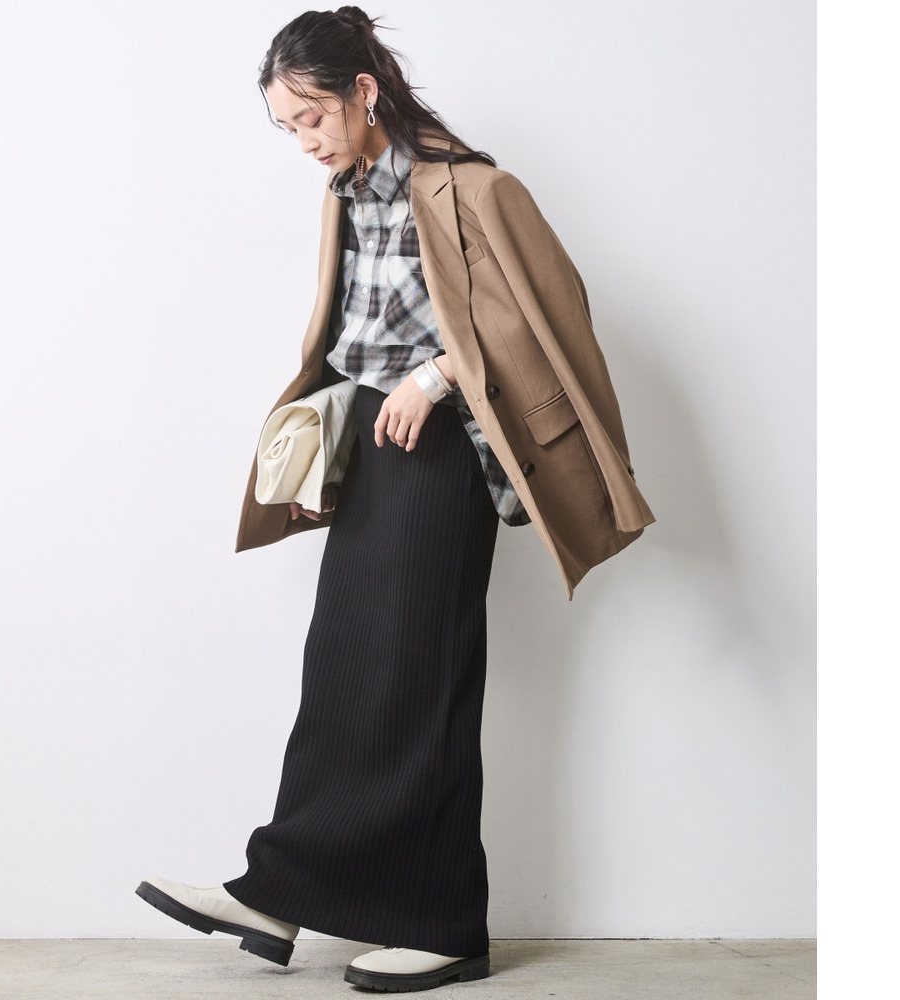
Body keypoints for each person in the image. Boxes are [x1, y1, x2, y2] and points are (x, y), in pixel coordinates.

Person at [137, 6, 654, 992]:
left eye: (312, 117)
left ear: (363, 92)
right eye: (286, 126)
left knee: (422, 679)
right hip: (374, 447)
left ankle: (446, 924)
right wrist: (319, 463)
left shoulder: (473, 186)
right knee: (341, 666)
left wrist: (435, 376)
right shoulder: (345, 194)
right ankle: (278, 893)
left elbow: (547, 315)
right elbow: (348, 340)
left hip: (447, 451)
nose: (304, 140)